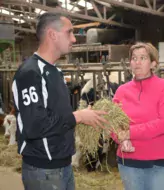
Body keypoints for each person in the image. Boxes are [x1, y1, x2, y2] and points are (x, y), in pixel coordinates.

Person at [12, 12, 107, 190]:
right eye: (69, 32)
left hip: (62, 165)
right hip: (44, 170)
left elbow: (58, 116)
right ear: (52, 35)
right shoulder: (31, 73)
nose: (74, 39)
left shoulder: (55, 72)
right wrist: (77, 117)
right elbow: (35, 126)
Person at [112, 42, 164, 190]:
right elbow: (113, 122)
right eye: (134, 58)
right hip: (128, 162)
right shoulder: (122, 91)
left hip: (157, 162)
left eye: (143, 58)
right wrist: (119, 137)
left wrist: (130, 133)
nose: (137, 62)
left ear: (153, 63)